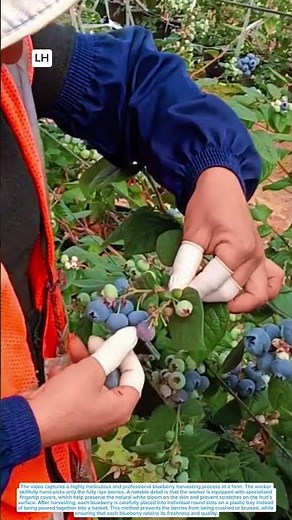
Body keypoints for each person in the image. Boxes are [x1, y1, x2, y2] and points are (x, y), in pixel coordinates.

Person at [1, 0, 284, 518]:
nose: (20, 50)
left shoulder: (16, 55)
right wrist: (20, 429)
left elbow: (130, 78)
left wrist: (212, 171)